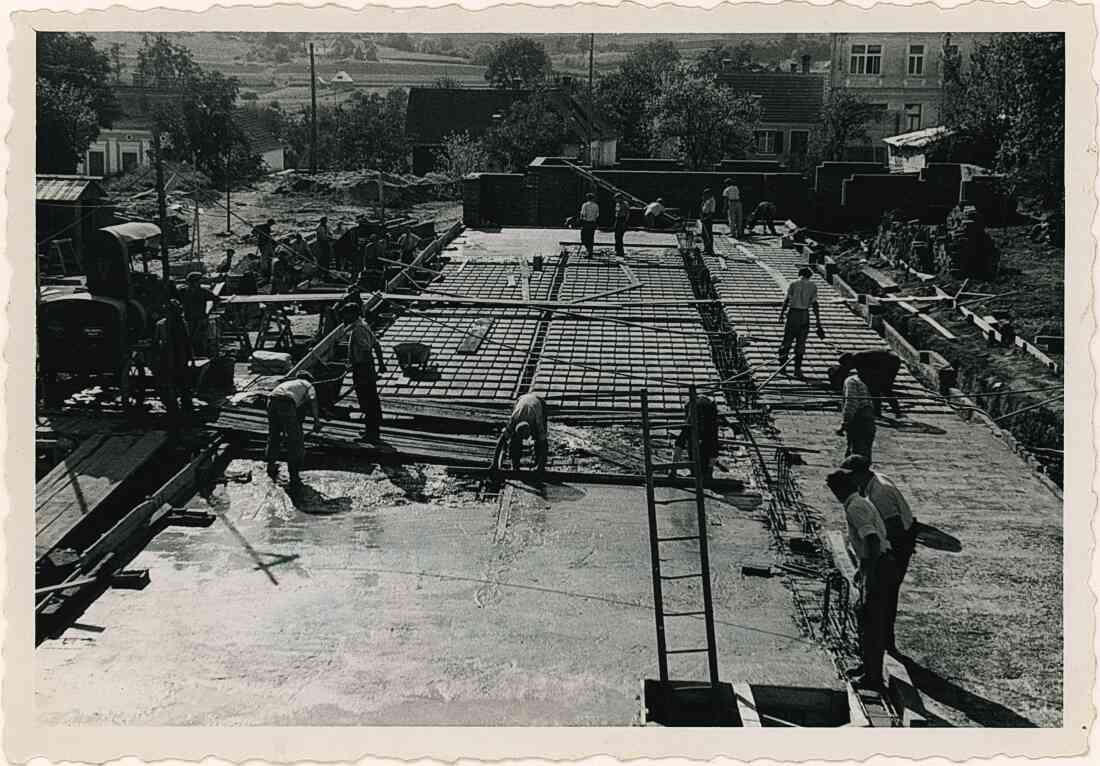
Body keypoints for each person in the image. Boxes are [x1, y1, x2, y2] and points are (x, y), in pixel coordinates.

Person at [826, 469, 897, 690]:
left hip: (879, 566)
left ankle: (873, 677)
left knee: (870, 621)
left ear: (839, 490)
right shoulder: (859, 502)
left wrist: (867, 570)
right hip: (879, 564)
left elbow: (873, 540)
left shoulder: (856, 508)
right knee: (865, 617)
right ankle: (868, 666)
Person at [842, 454, 916, 658]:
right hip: (897, 544)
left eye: (850, 477)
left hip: (896, 548)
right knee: (885, 597)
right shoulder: (874, 481)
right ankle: (884, 641)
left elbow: (894, 527)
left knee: (884, 596)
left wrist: (877, 560)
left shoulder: (879, 493)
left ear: (860, 474)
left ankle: (886, 644)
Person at [265, 371, 321, 487]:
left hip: (271, 400)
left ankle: (270, 466)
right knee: (295, 441)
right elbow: (313, 399)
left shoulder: (290, 383)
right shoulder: (308, 385)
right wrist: (316, 421)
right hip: (286, 402)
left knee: (274, 436)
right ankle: (294, 476)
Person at [344, 303, 388, 442]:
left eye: (346, 314)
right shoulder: (365, 325)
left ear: (353, 314)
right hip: (367, 367)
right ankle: (371, 430)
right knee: (370, 400)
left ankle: (372, 435)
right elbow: (376, 345)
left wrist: (357, 366)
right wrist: (380, 364)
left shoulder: (358, 330)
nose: (344, 317)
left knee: (367, 400)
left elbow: (365, 351)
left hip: (363, 369)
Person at [153, 299, 194, 436]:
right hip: (170, 358)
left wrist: (191, 358)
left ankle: (182, 408)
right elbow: (157, 342)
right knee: (175, 382)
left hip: (177, 357)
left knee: (181, 383)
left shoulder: (180, 324)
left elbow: (187, 342)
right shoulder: (162, 324)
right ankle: (176, 409)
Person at [778, 267, 825, 378]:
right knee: (801, 343)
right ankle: (797, 370)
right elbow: (815, 304)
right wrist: (818, 322)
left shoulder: (793, 284)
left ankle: (783, 368)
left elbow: (787, 300)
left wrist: (781, 314)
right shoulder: (813, 286)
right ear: (809, 276)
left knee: (787, 341)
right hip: (804, 315)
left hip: (793, 314)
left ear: (800, 274)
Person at [839, 350, 904, 417]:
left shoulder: (857, 358)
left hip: (890, 362)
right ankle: (893, 412)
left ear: (848, 360)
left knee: (882, 388)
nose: (848, 367)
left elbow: (866, 378)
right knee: (882, 388)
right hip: (890, 361)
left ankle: (880, 412)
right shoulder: (857, 358)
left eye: (845, 365)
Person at [496, 391, 548, 474]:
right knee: (514, 440)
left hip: (539, 402)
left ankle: (539, 464)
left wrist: (541, 466)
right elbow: (502, 440)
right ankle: (515, 463)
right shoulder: (514, 419)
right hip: (521, 400)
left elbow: (544, 442)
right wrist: (495, 464)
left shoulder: (537, 421)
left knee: (539, 439)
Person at [670, 393, 720, 480]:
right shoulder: (693, 420)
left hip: (705, 409)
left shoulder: (706, 420)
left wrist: (673, 470)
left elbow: (679, 444)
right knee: (707, 441)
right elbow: (714, 446)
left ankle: (706, 471)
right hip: (699, 408)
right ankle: (707, 471)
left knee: (708, 441)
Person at [839, 368, 877, 461]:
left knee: (855, 455)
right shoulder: (868, 382)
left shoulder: (852, 381)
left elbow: (851, 403)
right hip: (870, 420)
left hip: (858, 420)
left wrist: (845, 423)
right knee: (865, 454)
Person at [180, 272, 221, 357]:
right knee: (196, 339)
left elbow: (216, 299)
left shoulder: (185, 291)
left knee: (197, 339)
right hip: (193, 319)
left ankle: (198, 355)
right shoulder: (200, 291)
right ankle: (197, 355)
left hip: (196, 319)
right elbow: (216, 299)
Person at [579, 192, 600, 258]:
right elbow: (597, 215)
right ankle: (590, 252)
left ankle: (588, 251)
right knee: (591, 237)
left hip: (586, 223)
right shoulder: (596, 205)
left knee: (584, 237)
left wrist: (581, 221)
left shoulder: (585, 205)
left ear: (587, 198)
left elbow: (583, 214)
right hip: (593, 223)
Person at [699, 188, 716, 256]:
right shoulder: (707, 200)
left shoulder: (712, 201)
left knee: (708, 234)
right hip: (704, 217)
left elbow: (711, 213)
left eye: (705, 194)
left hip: (708, 218)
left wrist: (705, 218)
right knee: (704, 235)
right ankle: (706, 248)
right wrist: (703, 201)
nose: (704, 195)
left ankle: (710, 250)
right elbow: (702, 208)